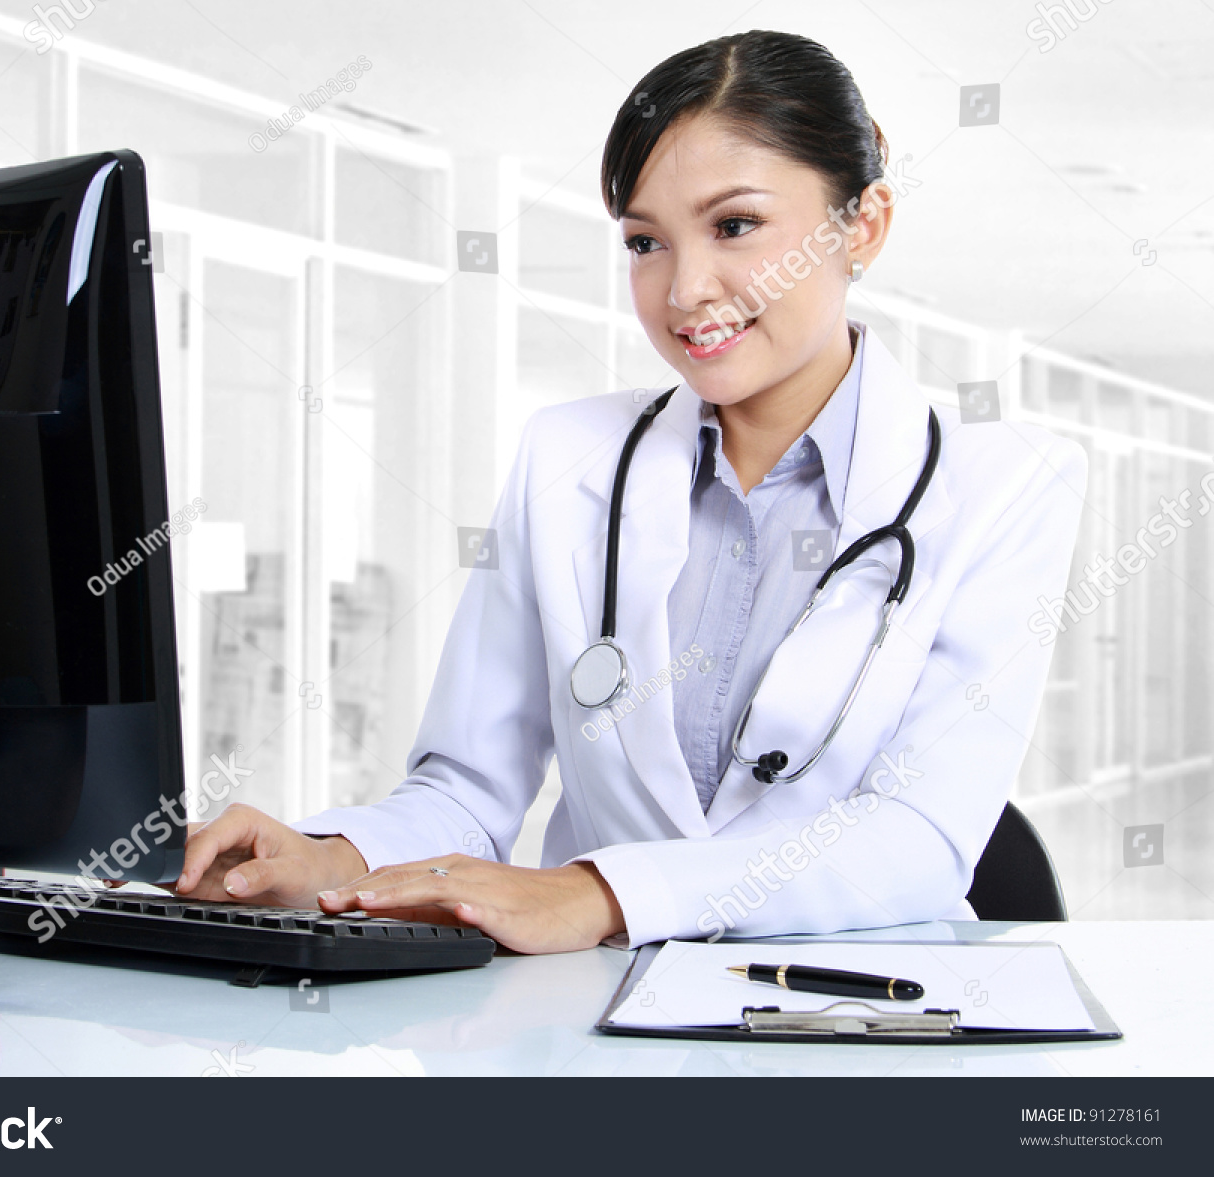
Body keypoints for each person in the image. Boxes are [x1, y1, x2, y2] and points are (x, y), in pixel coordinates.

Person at [173, 30, 1087, 953]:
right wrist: (334, 858)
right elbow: (467, 791)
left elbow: (920, 839)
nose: (684, 289)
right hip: (597, 1022)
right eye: (646, 241)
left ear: (864, 225)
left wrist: (603, 892)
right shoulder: (565, 457)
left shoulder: (1005, 485)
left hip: (856, 1022)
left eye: (735, 226)